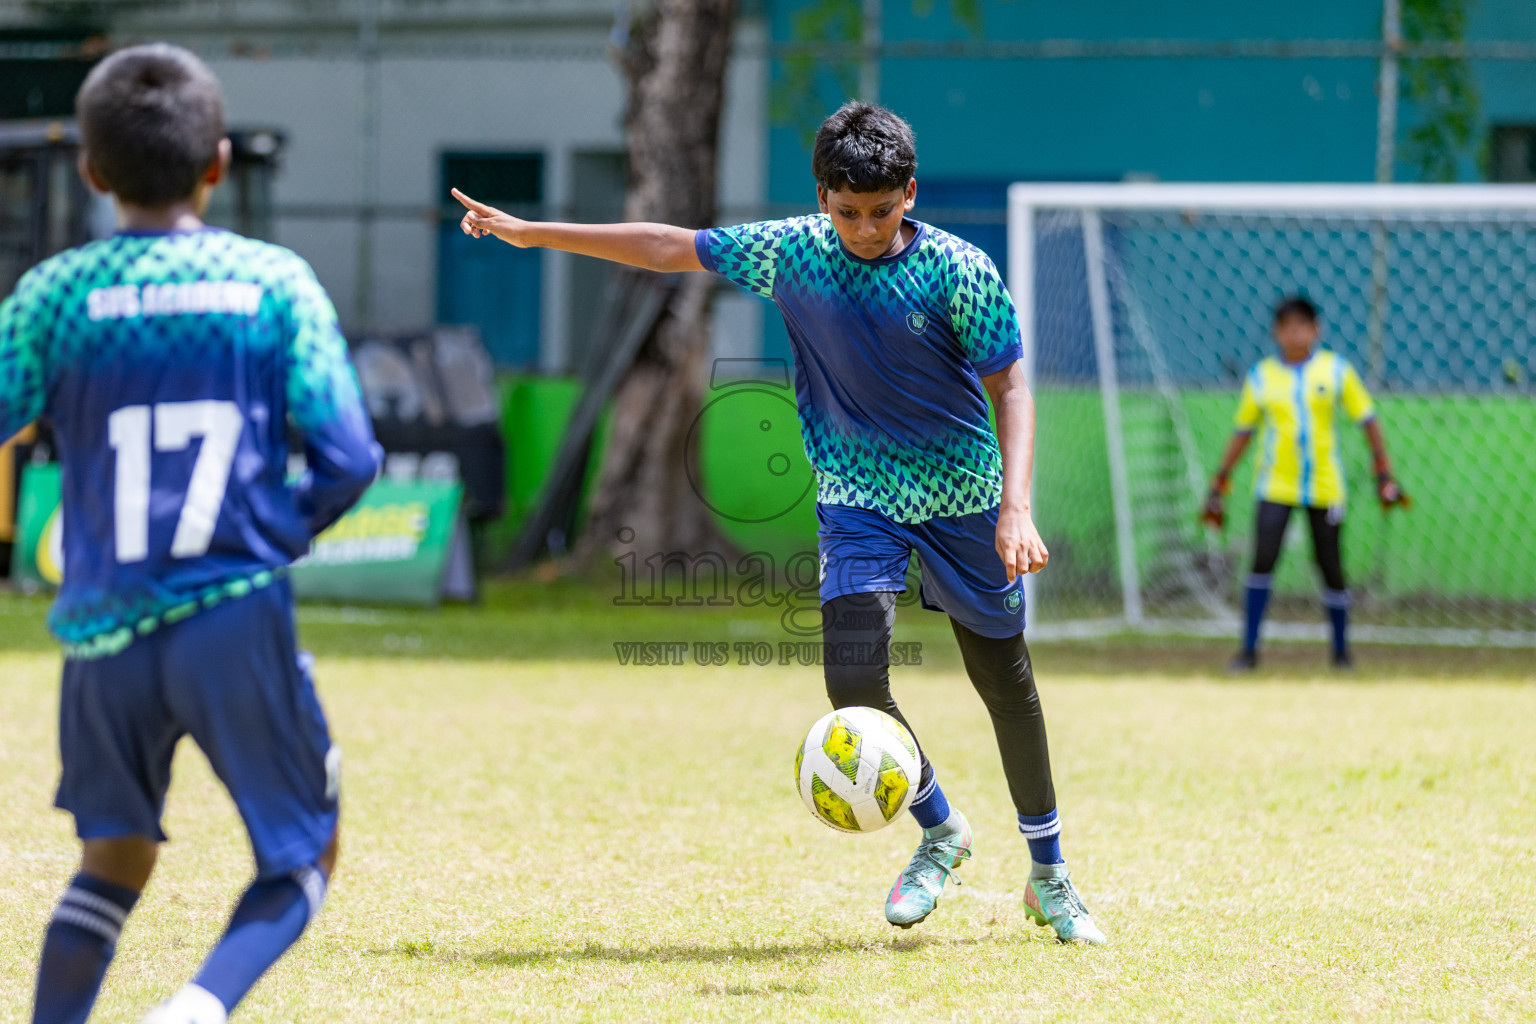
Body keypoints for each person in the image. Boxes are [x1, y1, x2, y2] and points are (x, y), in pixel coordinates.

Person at [453, 101, 1104, 943]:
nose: (865, 229)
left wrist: (1016, 509)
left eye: (882, 210)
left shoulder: (958, 269)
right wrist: (533, 232)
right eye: (848, 212)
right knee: (854, 685)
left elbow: (1011, 388)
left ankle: (1050, 876)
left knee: (1003, 684)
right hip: (858, 500)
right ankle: (942, 830)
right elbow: (665, 245)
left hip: (964, 501)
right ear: (821, 197)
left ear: (910, 192)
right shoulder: (793, 249)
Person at [0, 44, 380, 1024]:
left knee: (113, 859)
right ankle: (200, 1006)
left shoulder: (49, 296)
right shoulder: (274, 283)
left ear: (91, 170)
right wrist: (265, 534)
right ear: (217, 162)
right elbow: (349, 458)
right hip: (230, 614)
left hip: (102, 634)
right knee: (306, 853)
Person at [1202, 296, 1407, 671]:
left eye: (1303, 325)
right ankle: (1248, 651)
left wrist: (1383, 471)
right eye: (1287, 326)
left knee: (1331, 567)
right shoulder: (1262, 376)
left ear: (1317, 330)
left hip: (1325, 487)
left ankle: (1342, 653)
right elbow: (1243, 431)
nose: (1295, 333)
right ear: (1277, 332)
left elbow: (1368, 419)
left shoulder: (1336, 371)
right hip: (1275, 485)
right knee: (1262, 562)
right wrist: (1220, 480)